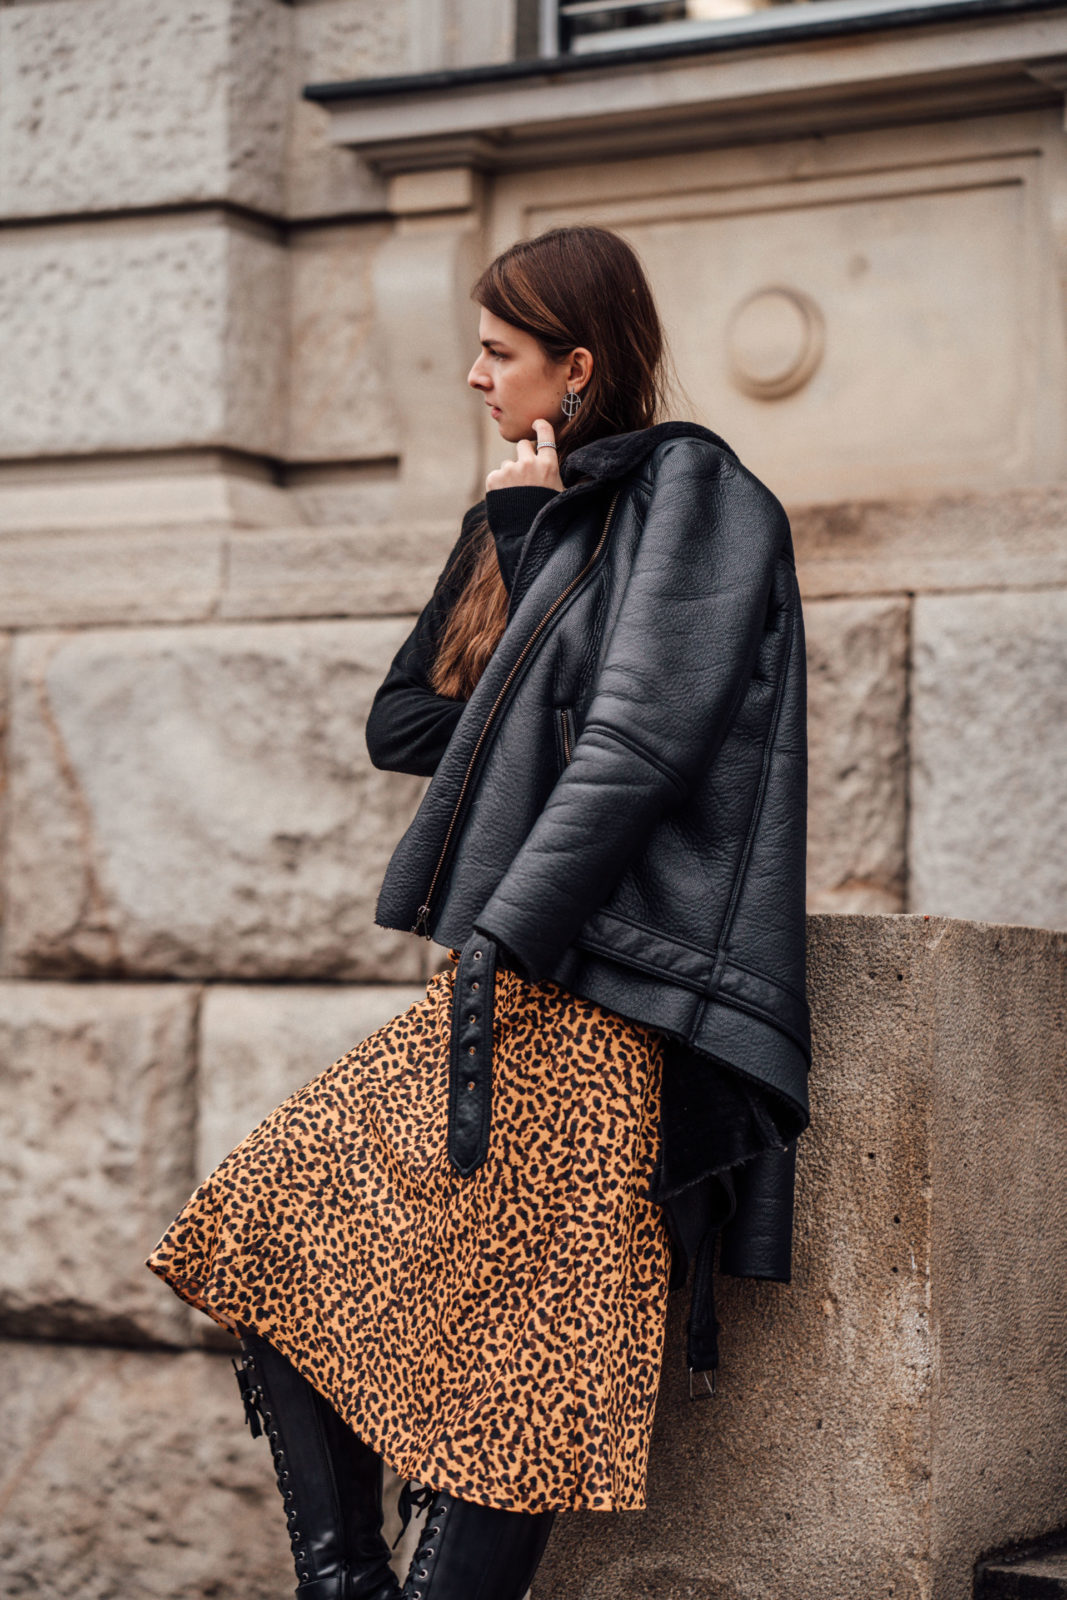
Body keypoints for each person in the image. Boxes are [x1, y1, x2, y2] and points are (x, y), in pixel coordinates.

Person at [147, 224, 810, 1600]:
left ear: (579, 367)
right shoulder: (526, 519)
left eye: (500, 355)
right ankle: (346, 1580)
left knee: (521, 1383)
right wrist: (512, 540)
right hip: (516, 986)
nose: (470, 377)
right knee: (272, 1223)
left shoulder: (694, 491)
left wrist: (504, 925)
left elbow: (636, 745)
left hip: (618, 989)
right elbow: (409, 722)